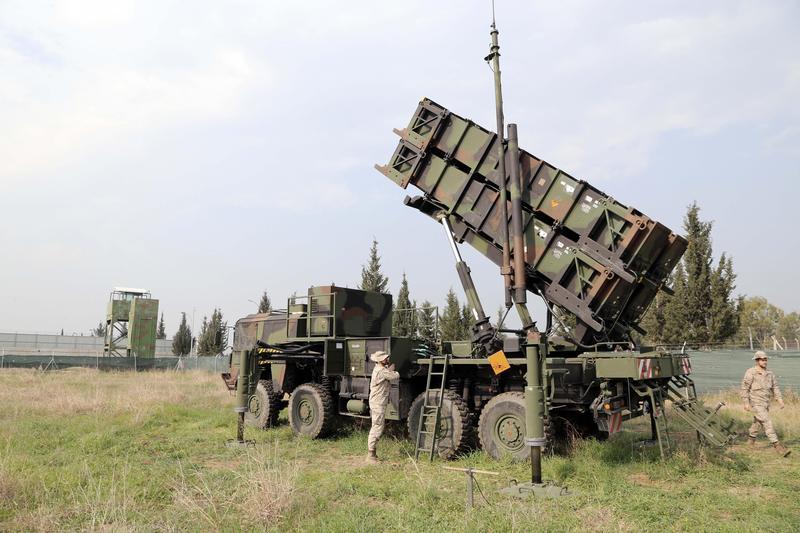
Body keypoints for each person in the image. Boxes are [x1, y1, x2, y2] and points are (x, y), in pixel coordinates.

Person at [741, 351, 790, 457]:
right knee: (767, 422)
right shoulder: (751, 372)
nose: (765, 361)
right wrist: (746, 403)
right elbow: (745, 388)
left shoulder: (770, 373)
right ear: (757, 360)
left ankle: (750, 441)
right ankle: (778, 446)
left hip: (766, 403)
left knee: (758, 422)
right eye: (762, 360)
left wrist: (780, 400)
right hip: (756, 403)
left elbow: (775, 387)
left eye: (765, 359)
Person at [366, 350, 400, 463]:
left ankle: (372, 454)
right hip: (378, 402)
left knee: (377, 425)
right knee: (377, 427)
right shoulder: (381, 371)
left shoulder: (380, 369)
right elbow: (394, 376)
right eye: (385, 358)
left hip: (378, 401)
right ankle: (371, 455)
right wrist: (394, 371)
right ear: (380, 360)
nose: (387, 359)